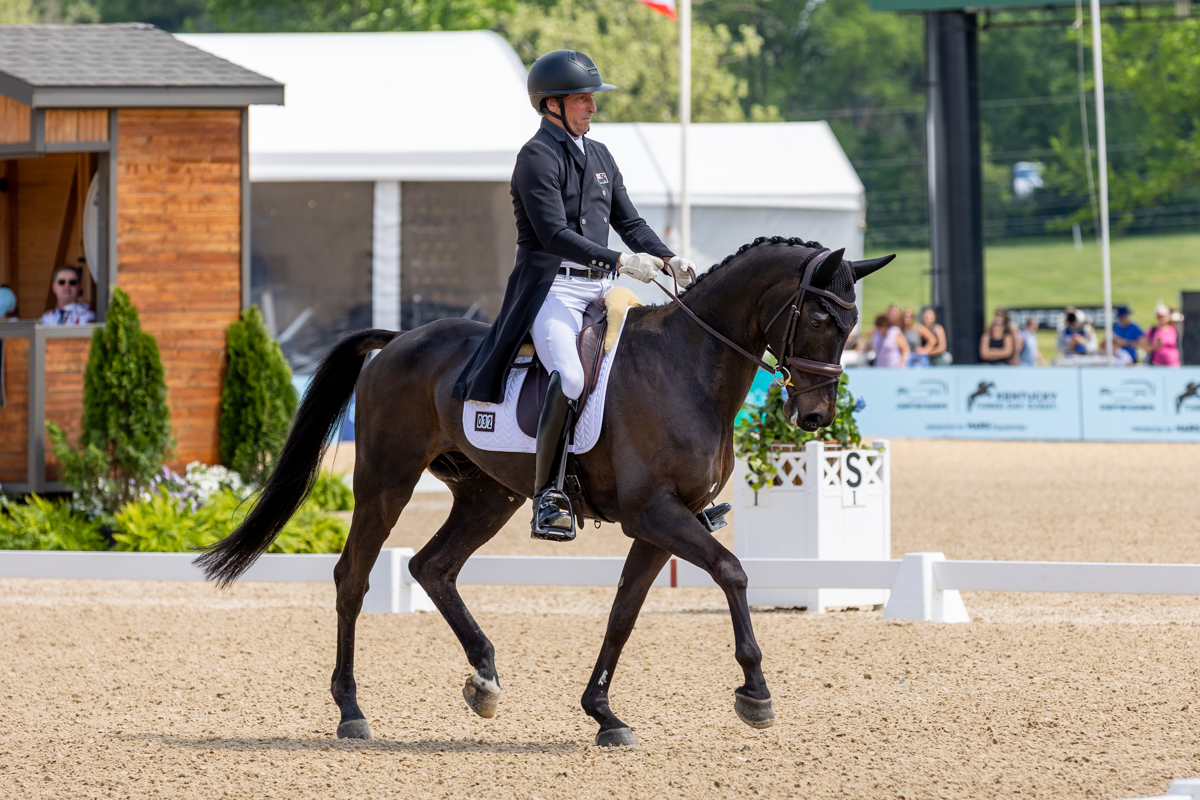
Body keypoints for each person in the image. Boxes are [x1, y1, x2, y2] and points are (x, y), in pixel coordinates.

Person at [452, 50, 688, 542]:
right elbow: (554, 234)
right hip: (552, 288)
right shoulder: (535, 158)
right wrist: (621, 261)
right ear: (551, 105)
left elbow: (630, 221)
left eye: (592, 99)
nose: (593, 108)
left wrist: (667, 258)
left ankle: (671, 485)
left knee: (653, 362)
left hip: (601, 288)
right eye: (583, 99)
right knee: (573, 376)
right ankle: (549, 494)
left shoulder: (599, 155)